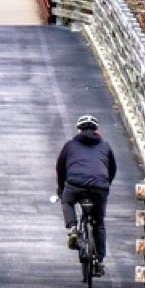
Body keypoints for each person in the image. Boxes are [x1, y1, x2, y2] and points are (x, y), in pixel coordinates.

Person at [56, 113, 116, 276]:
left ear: (79, 129)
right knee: (99, 223)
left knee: (67, 202)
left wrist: (62, 189)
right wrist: (105, 185)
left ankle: (73, 227)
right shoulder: (105, 146)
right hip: (99, 187)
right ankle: (99, 261)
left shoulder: (70, 145)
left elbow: (61, 168)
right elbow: (112, 169)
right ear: (96, 130)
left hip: (75, 184)